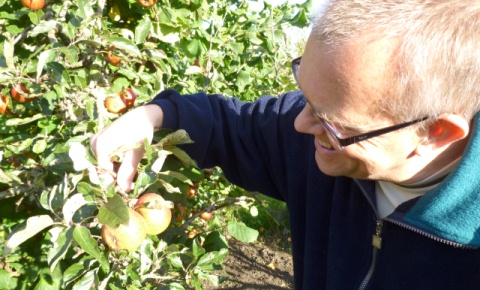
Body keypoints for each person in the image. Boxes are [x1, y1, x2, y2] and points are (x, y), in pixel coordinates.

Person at [90, 0, 480, 288]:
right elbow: (233, 124)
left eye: (331, 119)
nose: (299, 122)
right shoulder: (318, 136)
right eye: (304, 92)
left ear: (434, 132)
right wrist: (154, 117)